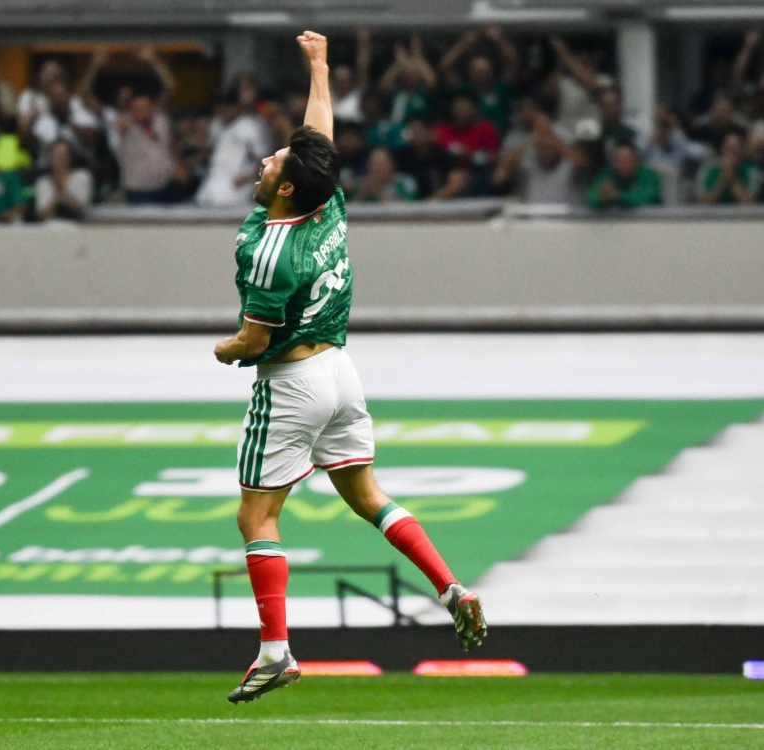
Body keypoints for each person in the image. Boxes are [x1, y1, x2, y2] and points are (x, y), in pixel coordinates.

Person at [214, 31, 486, 705]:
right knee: (367, 497)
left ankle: (275, 650)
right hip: (341, 373)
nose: (267, 158)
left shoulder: (267, 247)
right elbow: (318, 142)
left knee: (257, 515)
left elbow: (253, 340)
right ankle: (450, 585)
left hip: (294, 381)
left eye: (273, 160)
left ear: (280, 189)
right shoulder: (326, 200)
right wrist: (319, 69)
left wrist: (221, 351)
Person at [195, 84, 271, 208]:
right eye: (220, 109)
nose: (223, 112)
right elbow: (210, 153)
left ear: (235, 107)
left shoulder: (250, 126)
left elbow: (264, 158)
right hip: (214, 182)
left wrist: (247, 177)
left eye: (226, 108)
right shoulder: (216, 125)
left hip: (238, 187)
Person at [439, 26, 519, 134]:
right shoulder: (464, 89)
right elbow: (444, 67)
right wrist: (463, 44)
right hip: (470, 142)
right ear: (469, 72)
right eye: (475, 70)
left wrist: (500, 40)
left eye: (483, 70)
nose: (479, 74)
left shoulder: (500, 88)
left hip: (500, 141)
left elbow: (513, 64)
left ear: (491, 72)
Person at [493, 118, 586, 205]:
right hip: (536, 220)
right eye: (542, 148)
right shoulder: (531, 163)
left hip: (568, 220)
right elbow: (499, 177)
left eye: (549, 148)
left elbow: (583, 163)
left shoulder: (569, 163)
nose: (546, 152)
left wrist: (553, 138)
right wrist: (530, 140)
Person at [395, 116, 468, 200]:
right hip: (407, 204)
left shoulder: (443, 155)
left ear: (430, 132)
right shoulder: (402, 156)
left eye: (419, 131)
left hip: (438, 204)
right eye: (412, 131)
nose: (416, 135)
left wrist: (432, 200)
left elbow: (457, 182)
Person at [586, 141, 663, 209]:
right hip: (615, 222)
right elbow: (590, 197)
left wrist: (618, 196)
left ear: (636, 161)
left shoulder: (648, 176)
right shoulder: (606, 175)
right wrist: (601, 198)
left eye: (627, 160)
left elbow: (646, 197)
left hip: (649, 221)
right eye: (619, 161)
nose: (623, 164)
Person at [35, 139, 93, 221]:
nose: (61, 159)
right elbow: (43, 215)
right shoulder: (43, 182)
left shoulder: (82, 176)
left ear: (70, 157)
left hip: (78, 225)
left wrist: (62, 191)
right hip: (50, 227)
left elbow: (81, 208)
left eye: (64, 155)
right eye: (57, 155)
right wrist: (57, 198)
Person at [698, 132, 760, 205]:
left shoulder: (751, 171)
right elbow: (704, 203)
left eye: (735, 149)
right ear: (722, 150)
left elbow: (750, 203)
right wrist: (722, 179)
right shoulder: (708, 170)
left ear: (742, 150)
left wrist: (732, 180)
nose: (731, 154)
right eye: (728, 149)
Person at [331, 28, 371, 124]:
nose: (342, 84)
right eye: (339, 81)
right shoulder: (328, 95)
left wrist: (363, 44)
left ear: (351, 80)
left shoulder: (357, 95)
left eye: (345, 80)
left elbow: (363, 70)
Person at [350, 147, 417, 202]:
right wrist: (362, 193)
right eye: (374, 164)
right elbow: (349, 211)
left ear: (391, 165)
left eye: (381, 164)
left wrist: (379, 194)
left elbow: (410, 207)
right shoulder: (362, 185)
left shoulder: (404, 182)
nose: (377, 169)